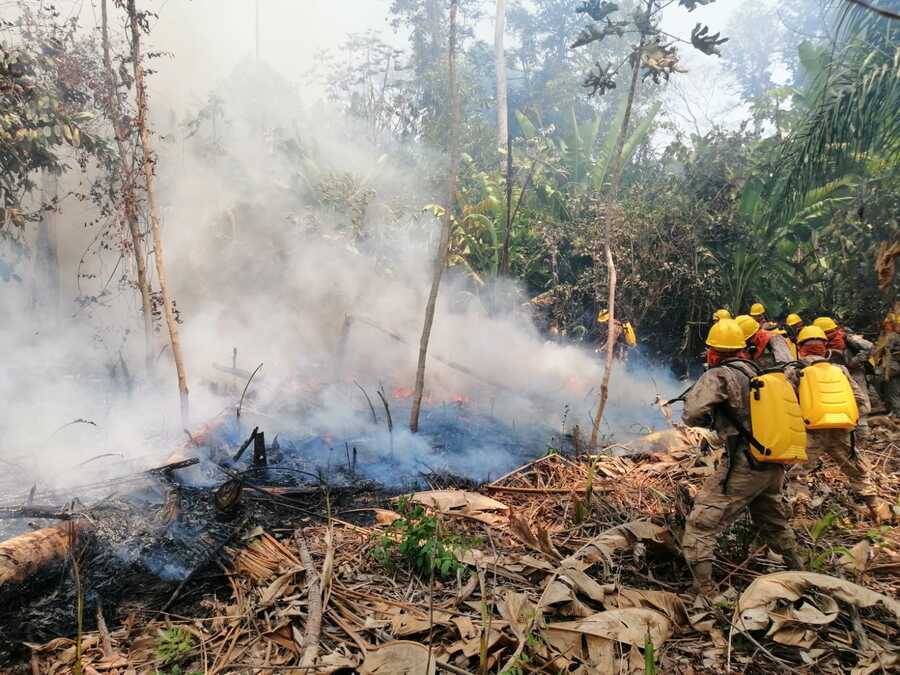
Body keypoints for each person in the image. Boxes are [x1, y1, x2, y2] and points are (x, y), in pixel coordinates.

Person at [682, 319, 801, 594]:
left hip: (745, 464)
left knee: (701, 524)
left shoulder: (720, 375)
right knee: (773, 521)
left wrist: (713, 417)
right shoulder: (757, 370)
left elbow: (691, 414)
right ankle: (801, 571)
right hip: (772, 464)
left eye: (709, 350)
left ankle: (705, 592)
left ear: (714, 351)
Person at [791, 325, 880, 520]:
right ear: (824, 348)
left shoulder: (794, 371)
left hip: (809, 432)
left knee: (797, 473)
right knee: (857, 469)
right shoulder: (839, 370)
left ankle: (801, 517)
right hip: (841, 429)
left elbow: (786, 406)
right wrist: (849, 420)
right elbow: (863, 403)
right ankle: (876, 510)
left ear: (800, 348)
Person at [813, 316, 874, 433]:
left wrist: (855, 361)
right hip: (836, 375)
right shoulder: (820, 342)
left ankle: (862, 432)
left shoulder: (847, 337)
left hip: (855, 372)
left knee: (860, 400)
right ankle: (847, 431)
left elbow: (869, 347)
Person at [874, 312, 900, 415]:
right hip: (894, 367)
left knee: (880, 381)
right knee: (893, 388)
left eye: (888, 324)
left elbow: (884, 351)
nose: (886, 326)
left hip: (894, 367)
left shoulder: (893, 336)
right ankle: (892, 409)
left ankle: (896, 412)